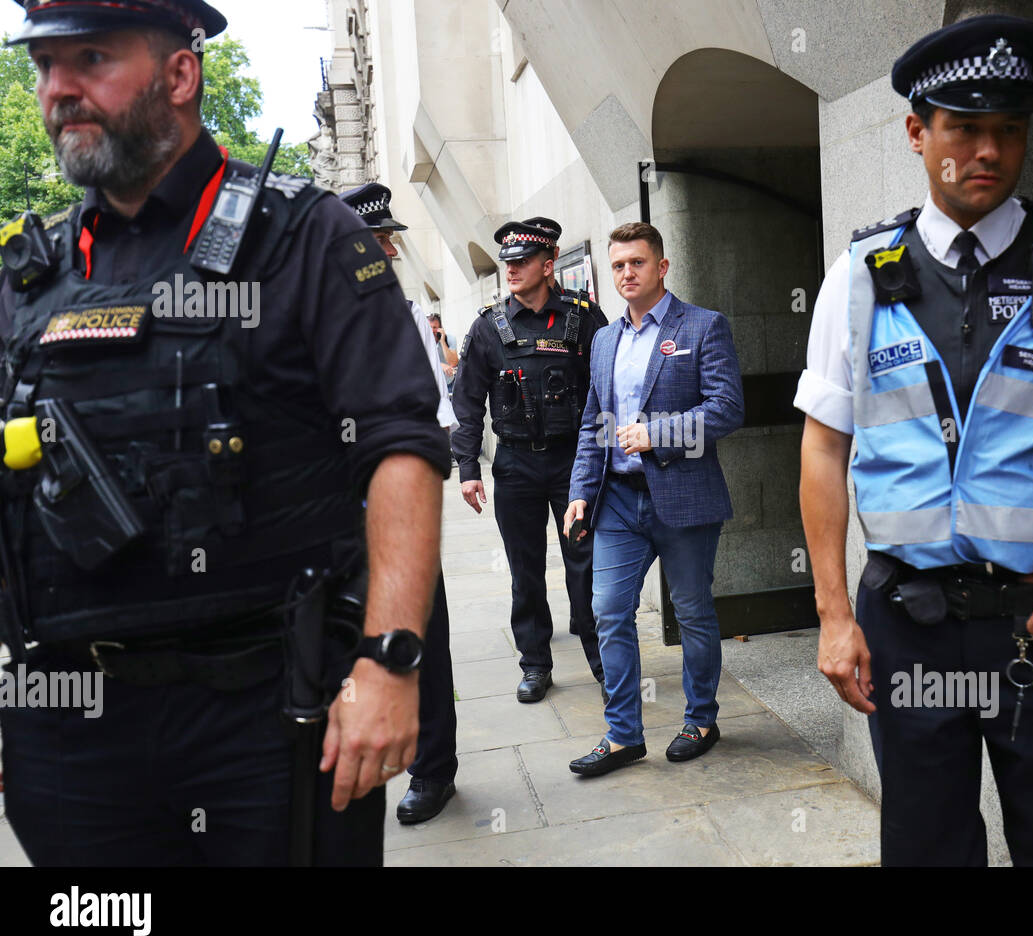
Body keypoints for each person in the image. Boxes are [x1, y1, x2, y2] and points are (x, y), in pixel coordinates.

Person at [0, 0, 448, 866]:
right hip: (69, 728)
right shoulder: (28, 280)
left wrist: (391, 660)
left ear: (180, 74)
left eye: (90, 58)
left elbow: (400, 444)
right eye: (45, 66)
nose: (58, 90)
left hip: (268, 718)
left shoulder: (307, 238)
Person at [795, 14, 1033, 865]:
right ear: (918, 133)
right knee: (927, 850)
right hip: (909, 625)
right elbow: (822, 448)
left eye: (1010, 129)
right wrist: (833, 614)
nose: (989, 150)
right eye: (965, 127)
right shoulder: (858, 276)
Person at [565, 222, 744, 776]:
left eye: (636, 263)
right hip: (617, 501)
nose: (626, 274)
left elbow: (727, 409)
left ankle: (701, 719)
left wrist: (657, 433)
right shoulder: (602, 340)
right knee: (608, 613)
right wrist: (578, 492)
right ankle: (623, 735)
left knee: (691, 612)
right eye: (618, 265)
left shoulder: (704, 326)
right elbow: (595, 423)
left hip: (684, 497)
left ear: (661, 267)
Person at [451, 218, 607, 702]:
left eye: (521, 262)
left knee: (587, 568)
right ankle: (536, 664)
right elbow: (467, 401)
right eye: (508, 263)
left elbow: (606, 390)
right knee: (525, 570)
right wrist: (469, 469)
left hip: (572, 466)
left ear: (548, 263)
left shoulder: (584, 318)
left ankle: (605, 665)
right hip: (516, 465)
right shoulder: (488, 326)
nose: (512, 270)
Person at [341, 183, 458, 825]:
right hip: (325, 516)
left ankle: (432, 769)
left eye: (387, 242)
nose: (389, 251)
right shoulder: (298, 314)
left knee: (420, 638)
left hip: (393, 509)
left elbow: (433, 420)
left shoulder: (407, 318)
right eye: (379, 241)